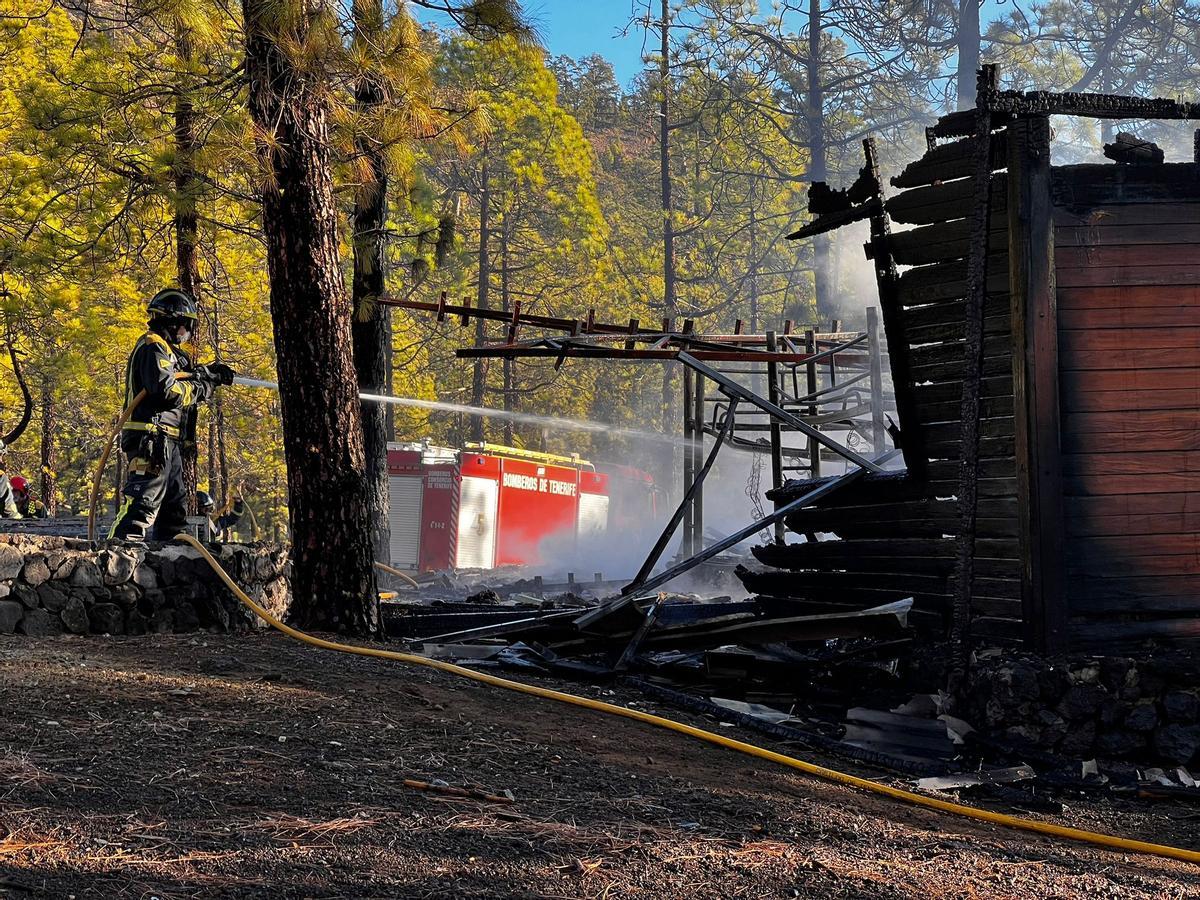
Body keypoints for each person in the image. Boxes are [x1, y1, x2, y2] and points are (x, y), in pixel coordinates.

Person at [109, 288, 235, 542]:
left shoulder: (169, 353)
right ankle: (113, 560)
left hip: (168, 443)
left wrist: (209, 372)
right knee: (143, 504)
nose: (187, 332)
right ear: (173, 321)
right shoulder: (152, 346)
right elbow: (166, 391)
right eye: (186, 325)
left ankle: (168, 566)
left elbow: (184, 374)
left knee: (173, 512)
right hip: (150, 440)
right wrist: (203, 387)